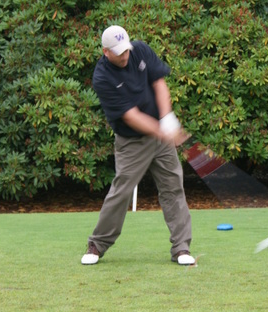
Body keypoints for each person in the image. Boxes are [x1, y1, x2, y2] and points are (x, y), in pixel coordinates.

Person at [81, 25, 195, 266]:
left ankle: (181, 248)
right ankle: (97, 244)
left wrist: (167, 118)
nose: (125, 56)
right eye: (119, 52)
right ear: (105, 52)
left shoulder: (140, 50)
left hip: (160, 136)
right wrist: (163, 131)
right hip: (131, 142)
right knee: (121, 191)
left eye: (126, 50)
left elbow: (159, 83)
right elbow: (131, 116)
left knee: (173, 187)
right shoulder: (102, 78)